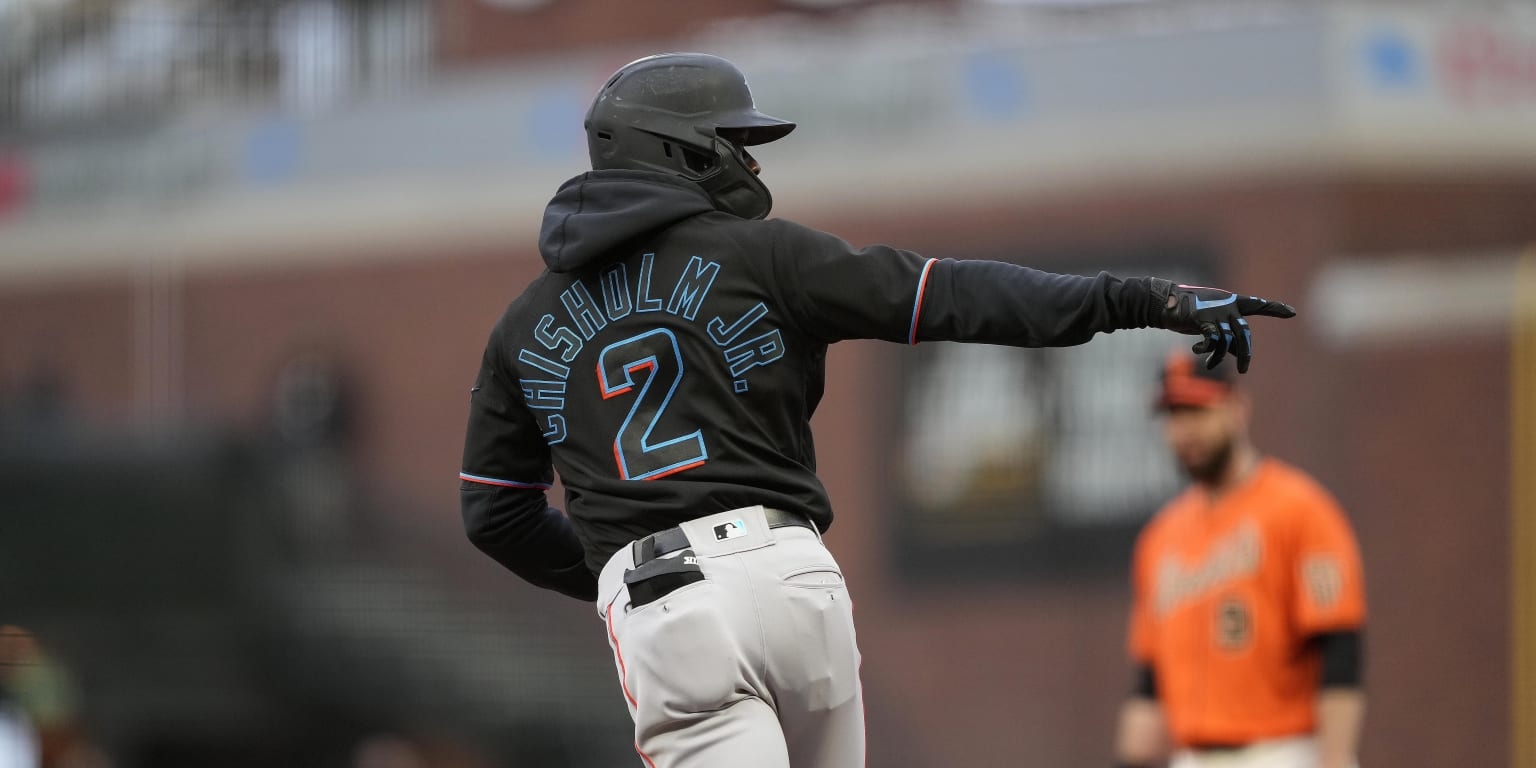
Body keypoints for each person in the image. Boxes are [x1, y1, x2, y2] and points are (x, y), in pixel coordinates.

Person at [459, 52, 1296, 768]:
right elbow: (958, 297)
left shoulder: (522, 325)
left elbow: (496, 514)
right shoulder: (770, 254)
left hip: (662, 602)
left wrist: (613, 569)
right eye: (736, 141)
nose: (751, 162)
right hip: (792, 576)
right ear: (682, 149)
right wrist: (1141, 298)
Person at [1114, 355, 1366, 768]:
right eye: (1173, 415)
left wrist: (1336, 758)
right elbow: (1150, 681)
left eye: (1197, 410)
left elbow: (1339, 648)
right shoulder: (1160, 537)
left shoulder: (1301, 510)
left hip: (1281, 752)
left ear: (1237, 409)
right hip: (1192, 757)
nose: (1184, 430)